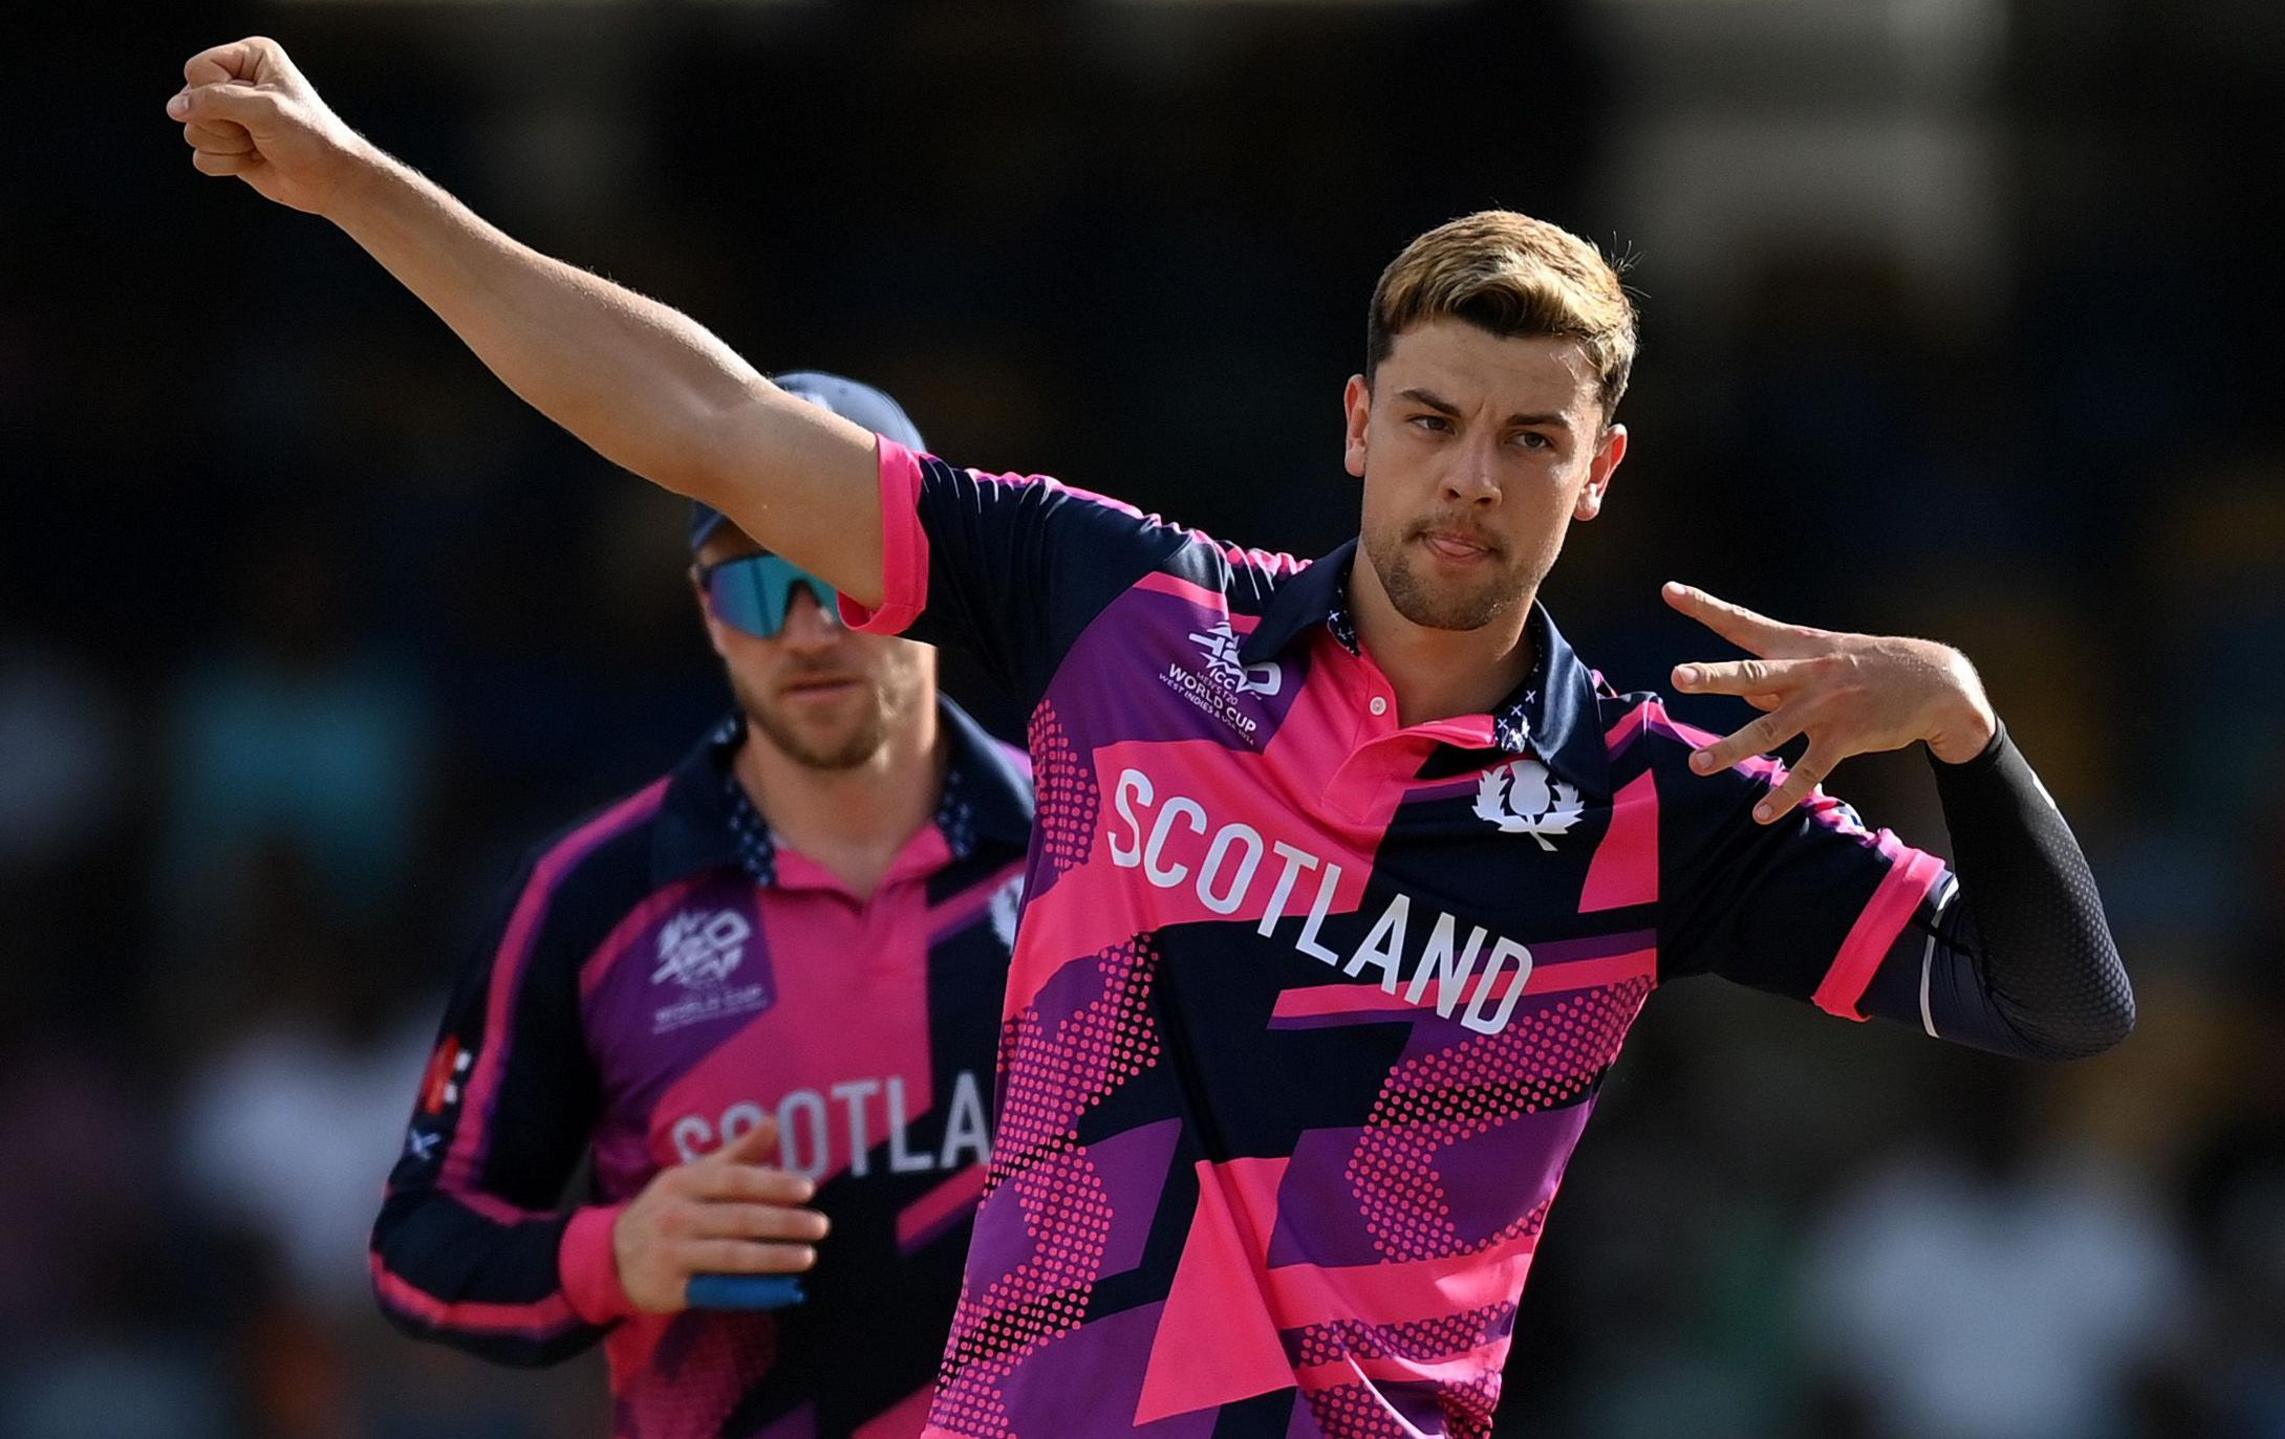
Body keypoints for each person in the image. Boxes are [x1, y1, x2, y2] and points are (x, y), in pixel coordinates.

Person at [173, 39, 2135, 1437]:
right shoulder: (1121, 610)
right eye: (1434, 418)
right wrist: (353, 179)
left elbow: (2044, 1001)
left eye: (1528, 437)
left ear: (1595, 473)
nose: (1471, 477)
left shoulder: (1651, 808)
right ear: (1357, 421)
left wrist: (1957, 728)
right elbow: (702, 424)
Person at [366, 374, 1036, 1438]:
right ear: (705, 611)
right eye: (754, 588)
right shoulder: (587, 899)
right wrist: (615, 1252)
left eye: (842, 573)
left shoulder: (1096, 848)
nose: (808, 628)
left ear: (935, 574)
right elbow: (418, 1248)